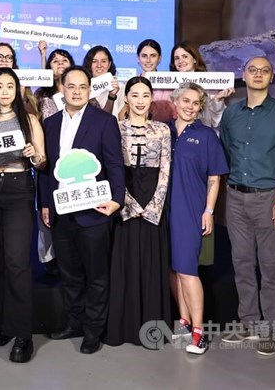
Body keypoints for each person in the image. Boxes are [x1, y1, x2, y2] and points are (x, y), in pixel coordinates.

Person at [38, 66, 125, 354]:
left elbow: (114, 163)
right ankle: (74, 322)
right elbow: (46, 170)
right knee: (70, 272)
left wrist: (117, 199)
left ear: (90, 90)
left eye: (82, 87)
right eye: (71, 86)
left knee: (96, 274)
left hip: (95, 210)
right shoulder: (49, 123)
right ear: (61, 88)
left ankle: (93, 330)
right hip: (61, 212)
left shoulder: (104, 121)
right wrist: (46, 203)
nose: (76, 91)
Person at [219, 56, 275, 356]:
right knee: (241, 262)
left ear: (271, 78)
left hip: (270, 199)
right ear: (244, 75)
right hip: (236, 198)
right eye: (252, 70)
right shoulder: (231, 114)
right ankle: (248, 322)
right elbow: (227, 151)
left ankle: (272, 329)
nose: (257, 75)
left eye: (264, 71)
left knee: (270, 267)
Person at [0, 67, 46, 363]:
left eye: (10, 86)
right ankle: (3, 324)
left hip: (19, 188)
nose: (4, 91)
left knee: (17, 261)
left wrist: (34, 154)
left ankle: (23, 334)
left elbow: (42, 162)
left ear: (17, 90)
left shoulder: (29, 120)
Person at [106, 77, 172, 347]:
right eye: (135, 95)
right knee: (125, 262)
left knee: (152, 263)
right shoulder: (115, 128)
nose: (141, 100)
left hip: (154, 202)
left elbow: (166, 169)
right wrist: (128, 203)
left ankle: (153, 330)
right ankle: (124, 328)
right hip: (125, 201)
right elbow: (112, 168)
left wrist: (154, 205)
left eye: (146, 95)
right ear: (126, 98)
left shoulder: (163, 130)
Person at [168, 83, 228, 355]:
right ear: (175, 101)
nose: (190, 107)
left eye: (196, 103)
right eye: (186, 101)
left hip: (190, 210)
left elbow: (215, 178)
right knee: (172, 269)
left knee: (187, 270)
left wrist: (208, 211)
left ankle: (199, 332)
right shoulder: (163, 131)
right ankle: (183, 321)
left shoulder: (206, 136)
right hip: (162, 210)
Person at [33, 42, 74, 275]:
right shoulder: (41, 95)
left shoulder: (80, 94)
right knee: (47, 211)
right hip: (48, 160)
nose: (60, 63)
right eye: (55, 60)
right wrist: (42, 55)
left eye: (64, 60)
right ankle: (50, 260)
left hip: (73, 161)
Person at [169, 42, 234, 130]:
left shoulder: (209, 83)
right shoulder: (167, 85)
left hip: (202, 135)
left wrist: (218, 100)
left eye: (185, 56)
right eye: (177, 58)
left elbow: (217, 121)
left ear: (195, 59)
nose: (180, 61)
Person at [119, 39, 174, 122]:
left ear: (159, 58)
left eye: (153, 56)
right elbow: (122, 117)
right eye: (144, 56)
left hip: (165, 131)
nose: (148, 60)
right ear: (138, 58)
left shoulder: (170, 84)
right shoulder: (129, 84)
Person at [82, 45, 123, 115]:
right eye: (94, 61)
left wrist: (112, 96)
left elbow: (122, 118)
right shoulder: (81, 87)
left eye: (103, 61)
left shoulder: (120, 87)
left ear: (109, 64)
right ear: (89, 64)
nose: (99, 65)